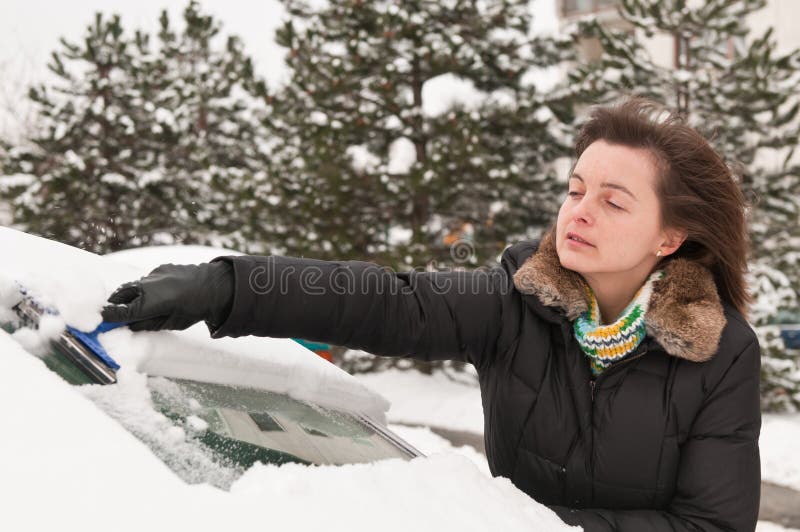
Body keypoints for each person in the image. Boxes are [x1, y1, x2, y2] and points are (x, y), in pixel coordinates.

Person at [102, 97, 761, 531]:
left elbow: (712, 526)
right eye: (574, 190)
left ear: (669, 238)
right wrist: (224, 287)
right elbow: (386, 302)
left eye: (614, 202)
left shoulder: (719, 352)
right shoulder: (517, 305)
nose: (578, 212)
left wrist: (519, 522)